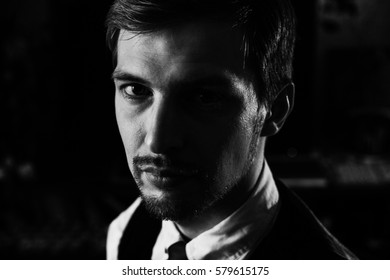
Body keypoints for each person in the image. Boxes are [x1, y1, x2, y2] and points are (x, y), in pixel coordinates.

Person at [105, 0, 357, 260]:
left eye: (204, 97)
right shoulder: (125, 232)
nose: (157, 140)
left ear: (275, 109)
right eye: (136, 90)